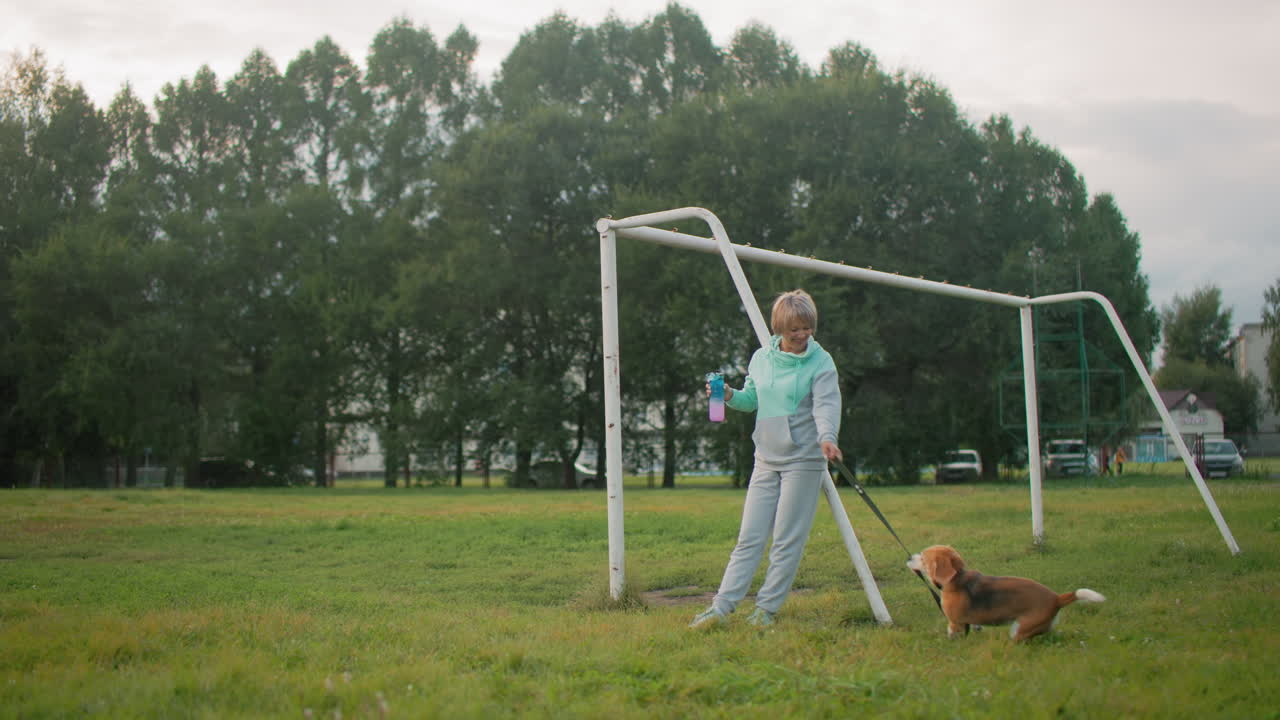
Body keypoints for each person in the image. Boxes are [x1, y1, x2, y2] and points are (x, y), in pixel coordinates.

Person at [690, 289, 842, 629]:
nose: (802, 335)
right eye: (795, 330)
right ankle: (720, 607)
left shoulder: (821, 362)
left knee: (786, 540)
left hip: (804, 460)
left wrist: (828, 438)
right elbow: (751, 400)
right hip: (766, 458)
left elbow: (827, 405)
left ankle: (766, 611)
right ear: (779, 330)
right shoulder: (761, 358)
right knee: (749, 538)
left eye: (807, 328)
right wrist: (727, 395)